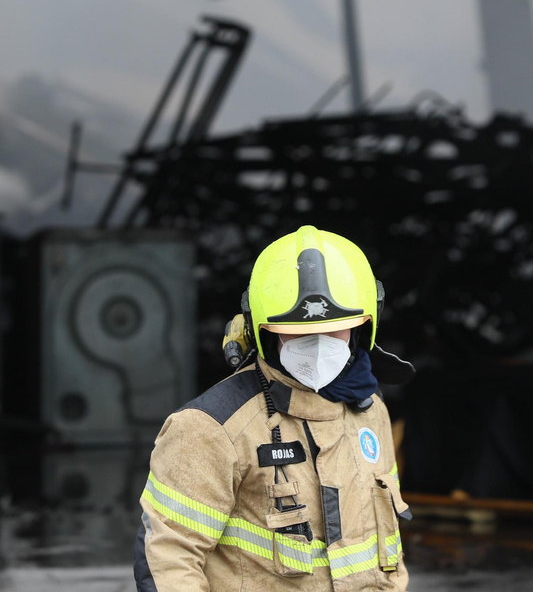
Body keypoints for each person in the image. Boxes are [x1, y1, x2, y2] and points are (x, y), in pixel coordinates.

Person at [135, 226, 412, 592]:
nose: (317, 345)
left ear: (364, 326)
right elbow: (168, 560)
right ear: (263, 331)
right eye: (295, 331)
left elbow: (386, 557)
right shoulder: (211, 428)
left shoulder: (370, 410)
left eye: (335, 330)